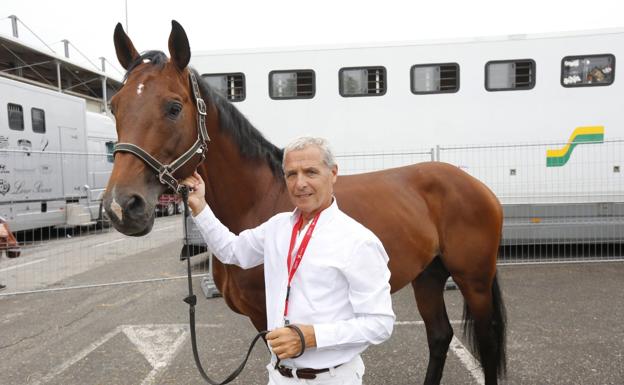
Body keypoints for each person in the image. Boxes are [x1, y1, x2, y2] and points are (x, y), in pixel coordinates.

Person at [183, 136, 395, 385]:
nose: (300, 183)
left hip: (332, 379)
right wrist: (200, 207)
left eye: (311, 172)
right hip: (280, 376)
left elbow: (380, 324)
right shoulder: (277, 227)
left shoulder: (358, 241)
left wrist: (311, 337)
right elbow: (232, 251)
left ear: (333, 173)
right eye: (291, 174)